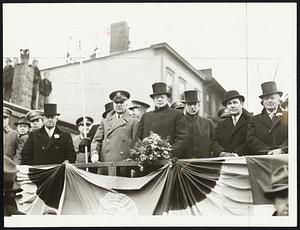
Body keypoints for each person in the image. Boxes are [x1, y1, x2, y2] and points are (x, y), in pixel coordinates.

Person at [90, 91, 139, 176]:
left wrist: (132, 160)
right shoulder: (105, 121)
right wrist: (94, 153)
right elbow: (96, 141)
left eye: (121, 102)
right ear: (113, 104)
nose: (119, 105)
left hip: (123, 165)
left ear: (126, 104)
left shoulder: (134, 121)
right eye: (116, 102)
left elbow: (137, 144)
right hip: (106, 164)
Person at [137, 82, 187, 158]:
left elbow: (182, 138)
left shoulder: (177, 115)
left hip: (169, 160)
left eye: (162, 97)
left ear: (167, 98)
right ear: (153, 100)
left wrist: (169, 152)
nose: (160, 100)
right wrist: (141, 153)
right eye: (157, 97)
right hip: (148, 160)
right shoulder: (146, 116)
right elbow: (138, 139)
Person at [247, 81, 288, 155]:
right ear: (263, 102)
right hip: (263, 158)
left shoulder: (288, 117)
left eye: (272, 98)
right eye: (266, 99)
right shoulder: (254, 120)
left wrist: (282, 149)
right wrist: (267, 151)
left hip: (285, 157)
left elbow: (293, 136)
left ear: (279, 101)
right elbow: (251, 140)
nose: (269, 101)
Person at [211, 90, 252, 157]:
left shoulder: (251, 121)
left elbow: (251, 141)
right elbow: (214, 142)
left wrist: (236, 154)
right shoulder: (221, 124)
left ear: (241, 104)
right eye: (229, 103)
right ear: (226, 107)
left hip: (244, 162)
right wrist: (222, 153)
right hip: (226, 163)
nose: (232, 106)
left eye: (235, 102)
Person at [179, 90, 215, 159]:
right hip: (184, 163)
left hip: (204, 163)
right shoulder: (179, 122)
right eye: (189, 104)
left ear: (198, 106)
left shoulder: (208, 123)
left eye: (195, 104)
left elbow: (214, 142)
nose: (192, 107)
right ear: (185, 106)